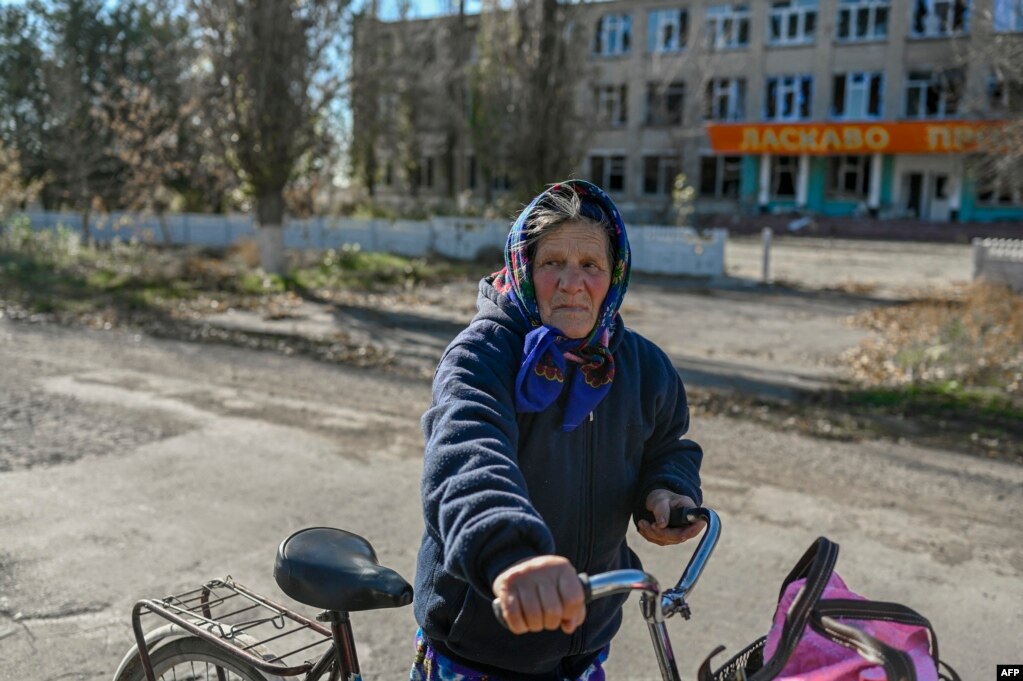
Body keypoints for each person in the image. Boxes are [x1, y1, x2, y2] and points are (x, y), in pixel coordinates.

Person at [411, 180, 704, 681]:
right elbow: (466, 454)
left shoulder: (643, 367)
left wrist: (666, 489)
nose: (572, 283)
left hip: (587, 647)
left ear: (614, 276)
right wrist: (510, 554)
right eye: (552, 263)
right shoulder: (482, 356)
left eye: (590, 266)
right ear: (524, 269)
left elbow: (667, 444)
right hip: (480, 647)